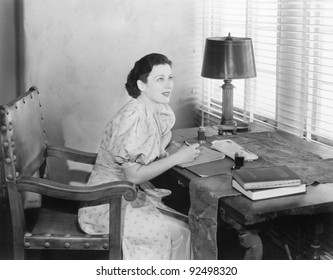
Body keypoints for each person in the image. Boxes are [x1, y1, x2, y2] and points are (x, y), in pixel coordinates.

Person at [78, 53, 201, 260]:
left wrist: (158, 148)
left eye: (170, 77)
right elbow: (133, 176)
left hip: (124, 193)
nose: (168, 85)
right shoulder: (134, 117)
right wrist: (177, 157)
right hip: (106, 201)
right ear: (142, 85)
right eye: (159, 79)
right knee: (181, 232)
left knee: (184, 227)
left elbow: (165, 132)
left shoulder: (151, 108)